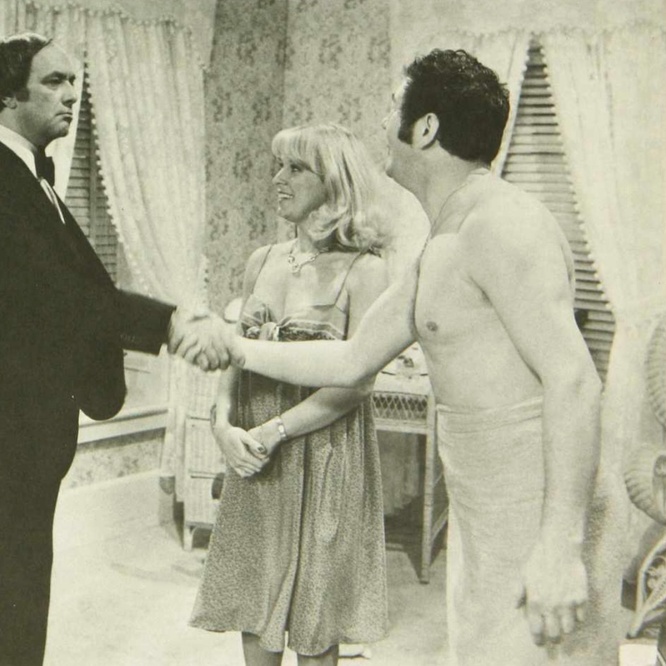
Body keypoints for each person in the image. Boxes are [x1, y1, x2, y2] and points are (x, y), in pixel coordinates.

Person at [214, 50, 615, 665]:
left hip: (535, 499)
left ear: (424, 128)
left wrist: (560, 547)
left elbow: (576, 381)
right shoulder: (445, 236)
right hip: (483, 503)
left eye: (390, 110)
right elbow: (352, 359)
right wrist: (234, 347)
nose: (382, 127)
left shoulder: (502, 222)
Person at [0, 32, 222, 665]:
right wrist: (171, 324)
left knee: (20, 586)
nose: (72, 94)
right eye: (54, 82)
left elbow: (77, 291)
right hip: (10, 434)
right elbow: (64, 299)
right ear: (8, 95)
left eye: (74, 81)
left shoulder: (30, 176)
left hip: (25, 434)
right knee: (15, 591)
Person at [189, 123, 389, 666]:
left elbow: (356, 382)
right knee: (255, 600)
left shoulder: (365, 270)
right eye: (278, 165)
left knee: (316, 615)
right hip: (254, 449)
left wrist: (276, 430)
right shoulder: (262, 260)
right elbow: (235, 354)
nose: (278, 178)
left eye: (296, 168)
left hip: (324, 452)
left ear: (335, 182)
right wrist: (222, 425)